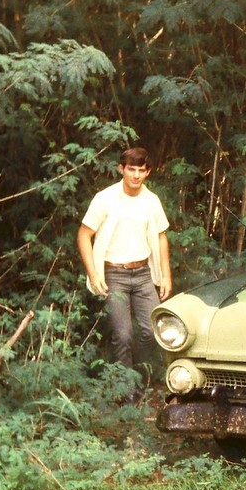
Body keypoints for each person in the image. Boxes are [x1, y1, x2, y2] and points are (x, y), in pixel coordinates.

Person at [77, 146, 172, 403]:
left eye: (141, 170)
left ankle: (135, 377)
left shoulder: (151, 201)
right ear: (122, 169)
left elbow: (162, 237)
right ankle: (127, 394)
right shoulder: (105, 198)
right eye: (132, 169)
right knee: (123, 335)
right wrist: (93, 272)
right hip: (113, 274)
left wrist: (166, 275)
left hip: (142, 273)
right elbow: (84, 235)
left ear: (148, 172)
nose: (136, 176)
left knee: (152, 330)